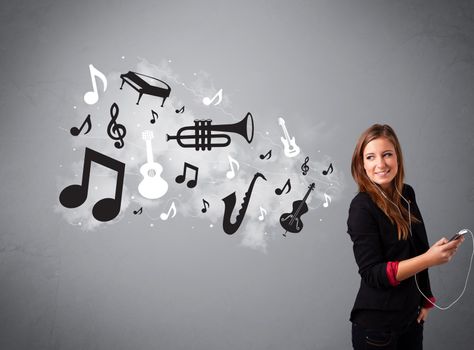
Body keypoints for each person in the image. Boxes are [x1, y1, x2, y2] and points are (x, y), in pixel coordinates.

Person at [347, 124, 464, 349]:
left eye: (387, 154)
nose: (380, 164)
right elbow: (373, 273)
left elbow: (418, 250)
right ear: (362, 165)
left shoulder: (406, 194)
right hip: (377, 329)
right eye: (371, 157)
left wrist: (426, 300)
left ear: (398, 158)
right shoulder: (361, 207)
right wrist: (430, 258)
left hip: (411, 319)